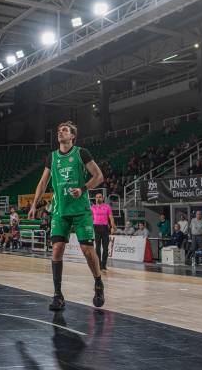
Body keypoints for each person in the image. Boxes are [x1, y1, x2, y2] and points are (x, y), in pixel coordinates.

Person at [28, 121, 106, 311]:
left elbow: (99, 176)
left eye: (64, 130)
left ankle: (98, 283)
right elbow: (43, 182)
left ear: (72, 136)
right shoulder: (52, 157)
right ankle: (58, 295)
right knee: (57, 250)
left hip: (80, 211)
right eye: (58, 131)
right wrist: (33, 204)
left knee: (88, 251)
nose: (60, 133)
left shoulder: (81, 153)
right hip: (60, 211)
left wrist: (83, 188)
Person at [90, 193, 115, 271]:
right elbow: (90, 218)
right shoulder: (92, 207)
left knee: (105, 248)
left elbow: (111, 217)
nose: (98, 199)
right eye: (97, 197)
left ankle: (104, 265)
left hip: (105, 228)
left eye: (100, 197)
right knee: (97, 247)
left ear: (103, 198)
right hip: (96, 227)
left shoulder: (107, 207)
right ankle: (99, 264)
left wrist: (112, 227)